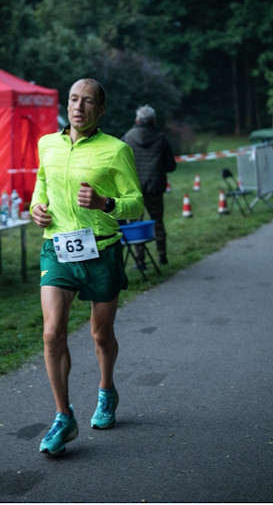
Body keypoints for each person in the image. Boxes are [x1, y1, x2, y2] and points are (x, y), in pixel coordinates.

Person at [29, 78, 143, 456]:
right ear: (67, 104)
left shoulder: (117, 150)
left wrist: (105, 203)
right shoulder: (47, 144)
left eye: (88, 101)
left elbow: (135, 203)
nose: (79, 107)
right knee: (51, 334)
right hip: (58, 249)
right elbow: (42, 183)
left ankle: (106, 390)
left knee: (100, 334)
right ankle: (64, 417)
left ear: (101, 109)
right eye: (74, 100)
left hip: (101, 250)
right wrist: (36, 207)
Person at [121, 104, 177, 267]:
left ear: (137, 120)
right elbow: (171, 166)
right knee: (157, 221)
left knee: (135, 224)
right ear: (154, 121)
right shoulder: (161, 138)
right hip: (155, 187)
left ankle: (140, 261)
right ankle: (162, 256)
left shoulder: (127, 137)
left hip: (133, 189)